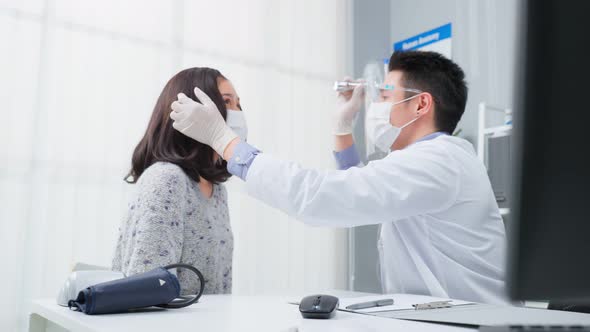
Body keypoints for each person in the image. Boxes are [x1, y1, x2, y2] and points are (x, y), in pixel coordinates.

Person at [169, 51, 507, 304]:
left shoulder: (439, 162)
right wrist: (342, 130)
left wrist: (226, 142)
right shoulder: (430, 160)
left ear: (421, 105)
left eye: (385, 96)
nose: (377, 105)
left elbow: (328, 196)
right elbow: (365, 192)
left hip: (470, 318)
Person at [112, 67, 248, 294]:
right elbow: (146, 291)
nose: (237, 112)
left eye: (238, 104)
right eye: (227, 102)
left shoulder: (217, 191)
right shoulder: (167, 179)